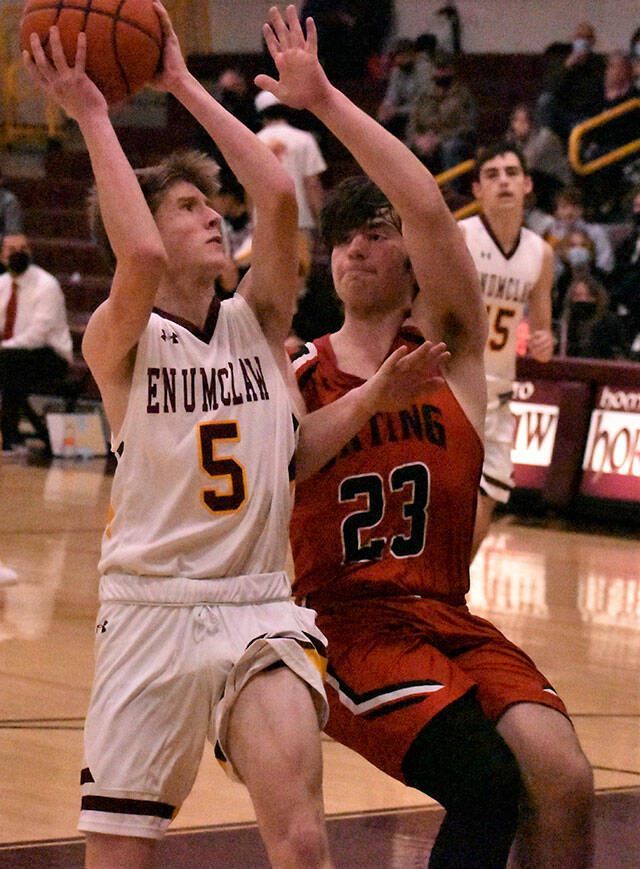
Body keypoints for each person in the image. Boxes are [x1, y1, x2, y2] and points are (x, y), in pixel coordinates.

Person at [24, 8, 447, 868]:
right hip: (149, 611)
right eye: (188, 206)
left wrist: (181, 79)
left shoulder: (259, 322)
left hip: (258, 604)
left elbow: (280, 196)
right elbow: (138, 257)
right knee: (119, 859)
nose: (214, 218)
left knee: (299, 839)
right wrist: (93, 112)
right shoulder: (120, 338)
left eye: (214, 207)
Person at [258, 7, 593, 868]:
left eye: (376, 236)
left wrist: (326, 100)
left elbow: (430, 212)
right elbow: (288, 461)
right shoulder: (301, 374)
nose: (357, 250)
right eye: (343, 240)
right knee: (486, 782)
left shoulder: (445, 351)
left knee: (565, 777)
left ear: (409, 261)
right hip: (347, 626)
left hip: (446, 613)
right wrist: (374, 397)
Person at [458, 143, 556, 556]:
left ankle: (450, 594)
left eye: (512, 172)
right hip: (453, 386)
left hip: (498, 396)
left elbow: (544, 344)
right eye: (493, 174)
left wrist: (543, 341)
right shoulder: (459, 236)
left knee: (488, 498)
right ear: (477, 188)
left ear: (528, 184)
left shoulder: (541, 252)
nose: (504, 180)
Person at [0, 233, 73, 452]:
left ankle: (12, 435)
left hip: (51, 355)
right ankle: (14, 436)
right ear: (2, 256)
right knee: (10, 364)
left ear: (30, 253)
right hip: (14, 355)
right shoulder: (2, 284)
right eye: (12, 250)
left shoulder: (46, 284)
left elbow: (39, 334)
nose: (18, 253)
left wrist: (3, 348)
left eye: (23, 248)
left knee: (9, 363)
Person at [255, 89, 327, 253]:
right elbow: (312, 184)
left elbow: (249, 189)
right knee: (299, 275)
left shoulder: (253, 141)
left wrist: (253, 224)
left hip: (264, 223)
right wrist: (321, 221)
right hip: (300, 219)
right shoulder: (304, 139)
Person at [405, 50, 477, 176]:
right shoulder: (424, 94)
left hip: (451, 138)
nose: (441, 73)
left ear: (452, 70)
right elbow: (413, 121)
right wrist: (418, 138)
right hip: (425, 138)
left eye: (445, 69)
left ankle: (450, 190)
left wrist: (440, 139)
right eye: (438, 69)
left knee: (449, 148)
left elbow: (469, 126)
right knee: (404, 148)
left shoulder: (462, 95)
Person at [557, 271, 627, 359]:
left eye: (588, 296)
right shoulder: (566, 321)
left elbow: (618, 352)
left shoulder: (609, 321)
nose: (583, 300)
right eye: (577, 296)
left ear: (597, 297)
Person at [376, 38, 433, 141]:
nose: (401, 59)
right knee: (381, 122)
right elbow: (392, 94)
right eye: (399, 56)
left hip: (422, 112)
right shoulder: (397, 71)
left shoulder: (424, 70)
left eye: (405, 56)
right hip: (403, 112)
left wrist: (396, 111)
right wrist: (386, 107)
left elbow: (422, 101)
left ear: (414, 55)